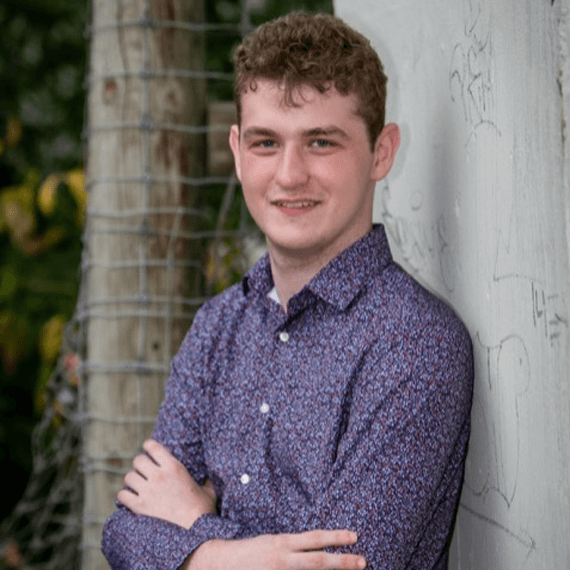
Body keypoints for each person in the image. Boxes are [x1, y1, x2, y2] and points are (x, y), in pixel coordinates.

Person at [102, 11, 474, 570]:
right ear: (236, 149)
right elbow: (125, 532)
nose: (289, 174)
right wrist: (238, 557)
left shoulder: (417, 343)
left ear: (381, 151)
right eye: (265, 142)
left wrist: (195, 533)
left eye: (321, 142)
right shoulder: (219, 324)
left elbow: (343, 566)